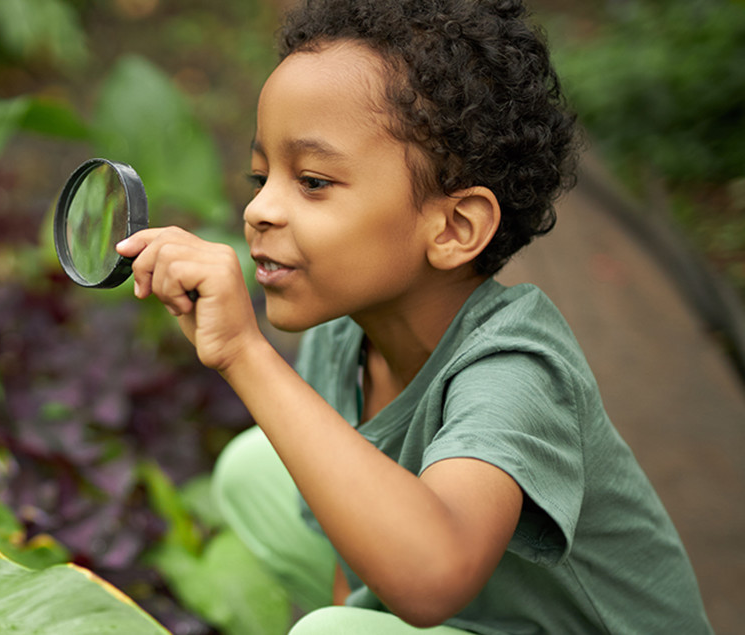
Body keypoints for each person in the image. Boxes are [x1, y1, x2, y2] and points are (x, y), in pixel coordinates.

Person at [114, 0, 714, 632]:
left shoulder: (516, 370)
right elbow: (354, 560)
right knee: (255, 472)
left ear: (454, 226)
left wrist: (245, 352)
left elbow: (433, 576)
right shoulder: (344, 335)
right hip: (476, 612)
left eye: (312, 181)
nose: (260, 209)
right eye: (260, 176)